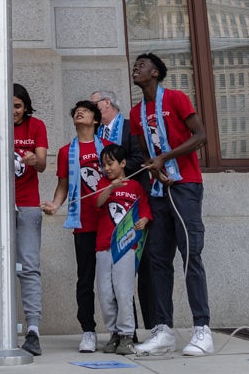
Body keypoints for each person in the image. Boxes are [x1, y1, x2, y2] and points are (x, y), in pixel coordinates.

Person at [129, 52, 215, 358]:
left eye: (141, 64)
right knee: (157, 260)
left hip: (186, 186)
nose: (136, 68)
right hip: (157, 191)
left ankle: (202, 330)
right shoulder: (136, 112)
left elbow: (201, 136)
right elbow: (144, 152)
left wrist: (166, 157)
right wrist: (155, 167)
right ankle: (163, 330)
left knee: (191, 254)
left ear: (155, 72)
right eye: (135, 65)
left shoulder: (176, 98)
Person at [42, 100, 107, 353]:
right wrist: (56, 205)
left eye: (86, 110)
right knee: (85, 279)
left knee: (115, 279)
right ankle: (88, 331)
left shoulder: (109, 148)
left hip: (109, 222)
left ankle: (124, 331)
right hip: (83, 224)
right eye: (76, 111)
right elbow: (63, 185)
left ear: (96, 120)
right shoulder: (65, 151)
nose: (79, 112)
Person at [94, 142, 152, 355]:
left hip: (126, 247)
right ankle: (114, 333)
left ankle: (127, 335)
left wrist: (144, 220)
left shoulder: (135, 187)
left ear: (123, 163)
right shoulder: (102, 183)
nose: (107, 168)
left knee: (123, 290)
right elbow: (98, 203)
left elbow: (145, 211)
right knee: (105, 292)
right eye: (104, 165)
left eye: (111, 163)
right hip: (102, 246)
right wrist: (110, 187)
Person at [8, 83, 48, 355]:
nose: (13, 111)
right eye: (9, 106)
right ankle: (5, 326)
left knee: (29, 267)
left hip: (29, 206)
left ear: (26, 106)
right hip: (1, 205)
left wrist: (34, 159)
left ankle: (32, 329)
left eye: (18, 106)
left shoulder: (36, 126)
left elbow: (43, 164)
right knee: (2, 268)